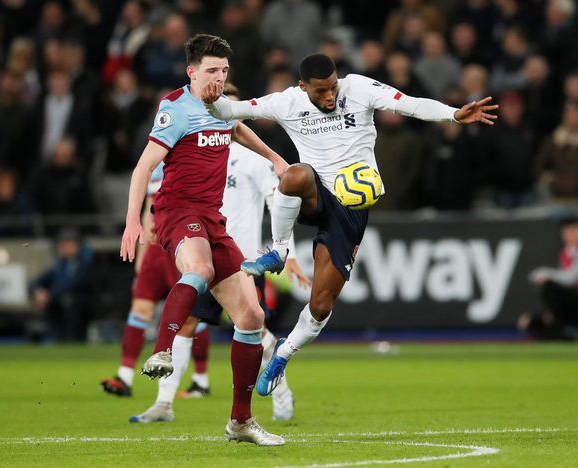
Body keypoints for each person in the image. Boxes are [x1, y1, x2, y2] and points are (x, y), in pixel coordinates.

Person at [202, 53, 498, 396]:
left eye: (333, 88)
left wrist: (453, 114)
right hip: (316, 194)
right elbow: (232, 112)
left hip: (351, 207)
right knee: (294, 174)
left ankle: (283, 354)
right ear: (303, 87)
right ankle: (280, 250)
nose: (330, 97)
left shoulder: (358, 88)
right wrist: (211, 98)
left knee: (321, 305)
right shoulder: (286, 101)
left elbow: (410, 104)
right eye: (321, 92)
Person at [103, 85, 308, 424]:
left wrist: (288, 253)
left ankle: (280, 389)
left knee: (253, 325)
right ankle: (164, 403)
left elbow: (278, 202)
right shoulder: (196, 146)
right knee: (186, 323)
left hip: (240, 260)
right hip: (203, 245)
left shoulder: (251, 159)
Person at [120, 34, 288, 446]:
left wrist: (276, 158)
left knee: (252, 317)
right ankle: (160, 350)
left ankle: (241, 423)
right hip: (177, 212)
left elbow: (238, 129)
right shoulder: (176, 109)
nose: (219, 77)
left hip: (213, 220)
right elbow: (143, 169)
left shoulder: (222, 108)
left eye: (225, 71)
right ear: (192, 72)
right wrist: (132, 223)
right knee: (200, 269)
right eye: (212, 70)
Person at [518, 218, 578, 340]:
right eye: (567, 231)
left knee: (549, 286)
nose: (571, 234)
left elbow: (570, 278)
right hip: (575, 303)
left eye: (575, 230)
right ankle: (573, 337)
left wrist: (544, 273)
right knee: (530, 323)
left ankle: (557, 332)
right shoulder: (567, 253)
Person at [29, 228, 94, 342]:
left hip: (79, 304)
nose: (64, 247)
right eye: (62, 244)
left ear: (77, 246)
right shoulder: (59, 265)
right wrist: (38, 292)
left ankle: (72, 339)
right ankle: (56, 337)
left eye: (68, 244)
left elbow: (73, 284)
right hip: (56, 302)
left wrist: (49, 295)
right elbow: (36, 281)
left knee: (70, 301)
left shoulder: (85, 264)